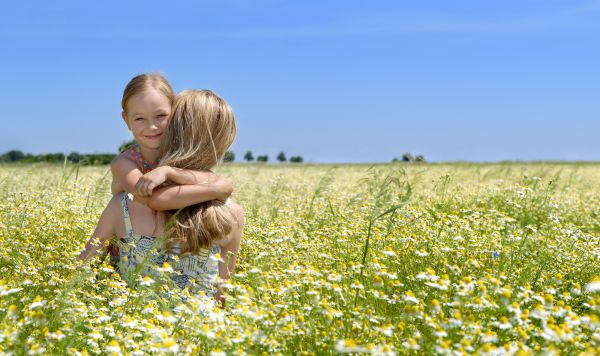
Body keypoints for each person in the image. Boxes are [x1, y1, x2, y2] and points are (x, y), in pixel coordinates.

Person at [79, 89, 244, 307]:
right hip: (197, 336)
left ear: (172, 131)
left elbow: (82, 268)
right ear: (225, 141)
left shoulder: (124, 206)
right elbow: (221, 296)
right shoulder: (233, 214)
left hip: (132, 334)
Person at [106, 73, 234, 269]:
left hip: (162, 255)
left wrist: (170, 172)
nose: (152, 126)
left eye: (161, 116)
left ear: (174, 115)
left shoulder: (174, 160)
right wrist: (215, 189)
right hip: (127, 259)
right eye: (140, 118)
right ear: (126, 120)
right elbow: (151, 199)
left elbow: (208, 177)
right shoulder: (125, 163)